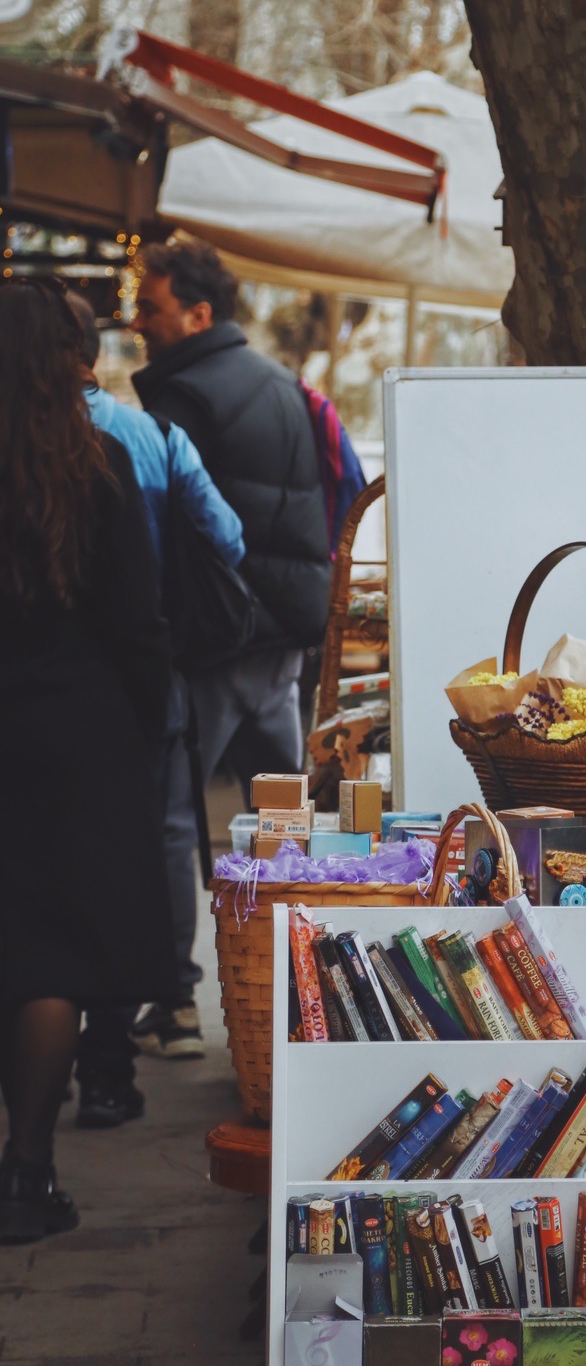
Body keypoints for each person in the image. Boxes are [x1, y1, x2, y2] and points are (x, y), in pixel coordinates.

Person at [0, 279, 175, 1242]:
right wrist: (145, 729)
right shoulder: (97, 464)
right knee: (53, 957)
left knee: (10, 946)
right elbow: (139, 621)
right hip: (77, 735)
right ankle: (27, 1171)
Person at [130, 241, 330, 1053]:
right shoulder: (283, 385)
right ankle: (306, 993)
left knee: (176, 819)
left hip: (213, 639)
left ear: (196, 315)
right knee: (283, 817)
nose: (138, 322)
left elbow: (177, 531)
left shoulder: (182, 399)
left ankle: (176, 1003)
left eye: (150, 307)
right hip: (281, 640)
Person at [65, 290, 245, 1123]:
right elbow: (228, 537)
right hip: (146, 668)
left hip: (37, 686)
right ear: (91, 352)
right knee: (158, 836)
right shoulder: (151, 434)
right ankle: (167, 1005)